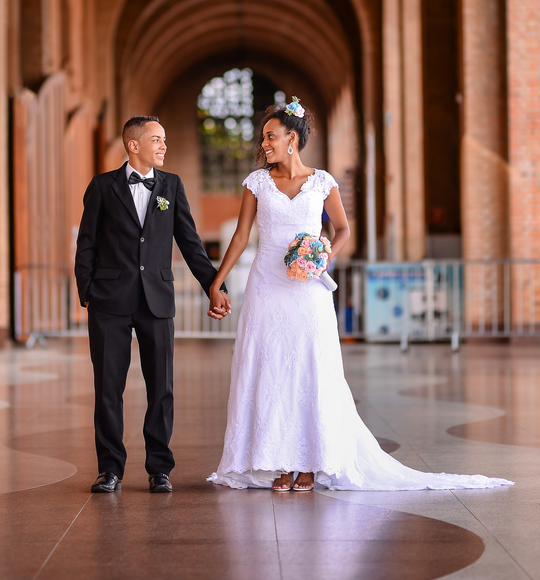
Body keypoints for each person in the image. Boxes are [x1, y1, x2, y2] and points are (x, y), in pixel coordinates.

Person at [205, 99, 512, 493]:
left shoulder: (323, 182)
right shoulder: (257, 183)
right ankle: (278, 461)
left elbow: (343, 229)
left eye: (270, 136)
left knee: (310, 370)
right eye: (264, 137)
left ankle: (310, 464)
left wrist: (322, 257)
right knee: (270, 368)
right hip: (267, 286)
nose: (264, 144)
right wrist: (218, 282)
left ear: (292, 139)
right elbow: (241, 236)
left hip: (308, 291)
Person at [75, 116, 230, 494]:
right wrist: (88, 293)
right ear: (133, 145)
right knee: (108, 388)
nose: (163, 146)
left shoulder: (171, 186)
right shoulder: (102, 186)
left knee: (161, 387)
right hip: (109, 302)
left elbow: (190, 243)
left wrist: (214, 285)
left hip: (157, 300)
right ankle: (109, 470)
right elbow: (87, 244)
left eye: (164, 140)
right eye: (156, 140)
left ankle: (159, 468)